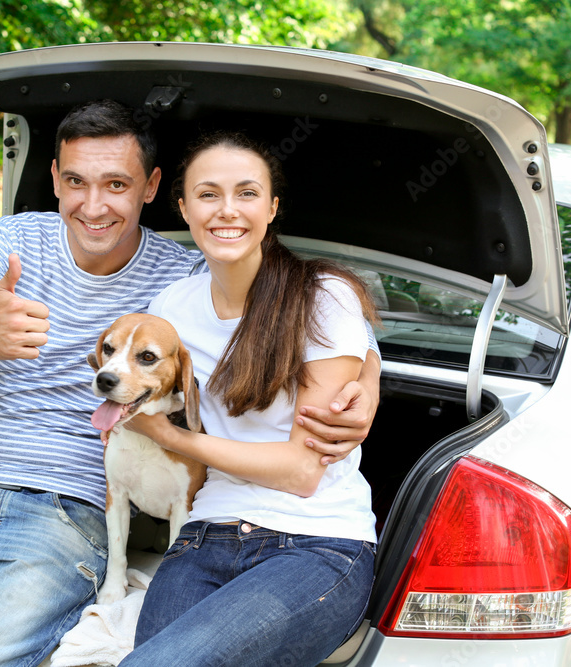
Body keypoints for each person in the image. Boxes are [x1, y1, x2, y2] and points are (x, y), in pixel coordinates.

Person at [0, 101, 381, 667]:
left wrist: (367, 375)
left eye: (115, 184)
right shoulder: (20, 245)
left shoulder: (178, 276)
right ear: (53, 179)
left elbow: (304, 304)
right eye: (75, 181)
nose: (93, 205)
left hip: (68, 508)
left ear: (149, 188)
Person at [119, 131, 380, 667]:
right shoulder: (173, 304)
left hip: (317, 543)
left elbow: (301, 472)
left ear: (272, 207)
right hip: (205, 534)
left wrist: (170, 437)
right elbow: (127, 369)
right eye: (208, 194)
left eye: (247, 193)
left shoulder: (321, 297)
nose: (227, 210)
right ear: (184, 207)